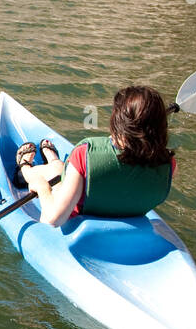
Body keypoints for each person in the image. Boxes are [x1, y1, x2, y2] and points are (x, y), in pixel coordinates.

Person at [15, 85, 177, 227]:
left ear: (117, 122)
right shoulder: (169, 163)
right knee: (59, 167)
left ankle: (25, 168)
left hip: (82, 223)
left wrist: (43, 188)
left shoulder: (84, 154)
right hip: (130, 222)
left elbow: (52, 220)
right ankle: (51, 157)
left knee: (55, 171)